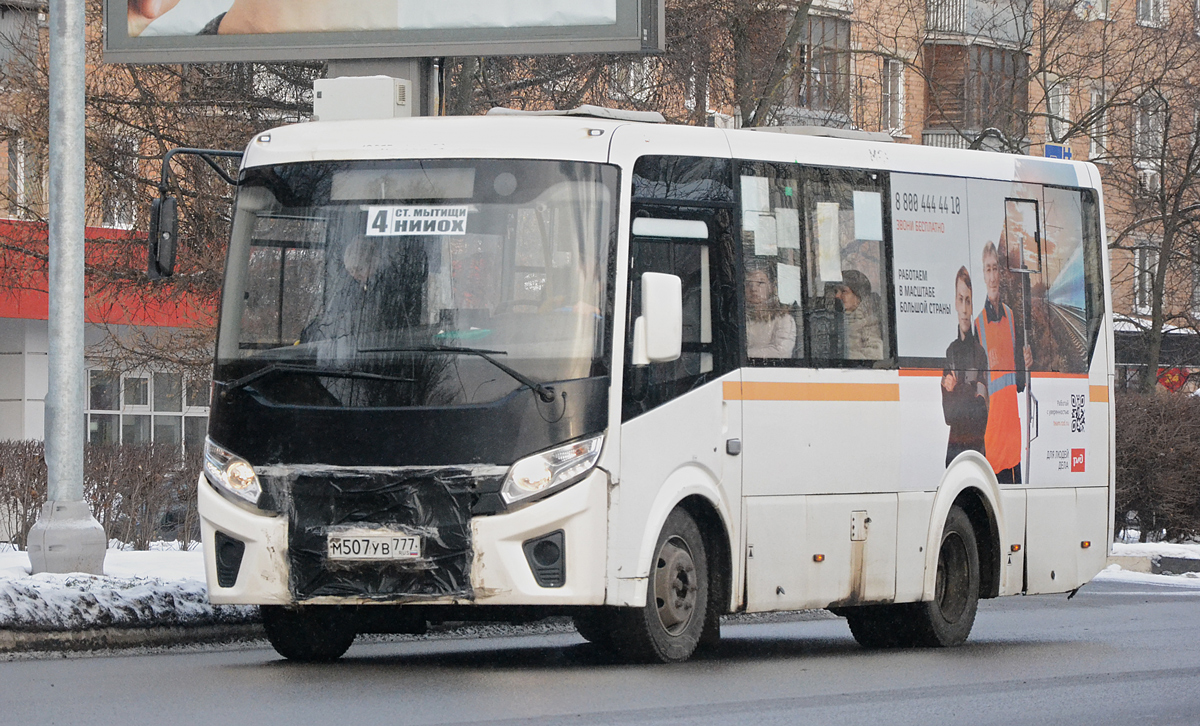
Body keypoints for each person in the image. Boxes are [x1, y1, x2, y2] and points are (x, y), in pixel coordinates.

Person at [975, 241, 1033, 484]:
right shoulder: (977, 324)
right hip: (991, 442)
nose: (992, 276)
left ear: (1000, 272)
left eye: (995, 268)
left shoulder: (1010, 316)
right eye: (987, 269)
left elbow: (1018, 380)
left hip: (1012, 438)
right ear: (983, 275)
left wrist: (1027, 361)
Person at [942, 267, 989, 466]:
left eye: (968, 300)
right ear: (955, 302)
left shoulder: (979, 353)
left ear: (971, 307)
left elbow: (981, 412)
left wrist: (955, 390)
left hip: (976, 451)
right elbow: (949, 415)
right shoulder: (950, 352)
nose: (963, 307)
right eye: (960, 299)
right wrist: (968, 391)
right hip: (953, 454)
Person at [745, 263, 796, 358]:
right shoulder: (739, 318)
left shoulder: (784, 319)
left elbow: (781, 352)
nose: (753, 289)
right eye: (748, 284)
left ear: (771, 287)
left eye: (760, 283)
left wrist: (742, 355)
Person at [835, 269, 884, 360]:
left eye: (844, 291)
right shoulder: (834, 318)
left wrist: (844, 356)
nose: (837, 296)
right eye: (836, 291)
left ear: (858, 296)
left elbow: (875, 354)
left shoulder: (868, 321)